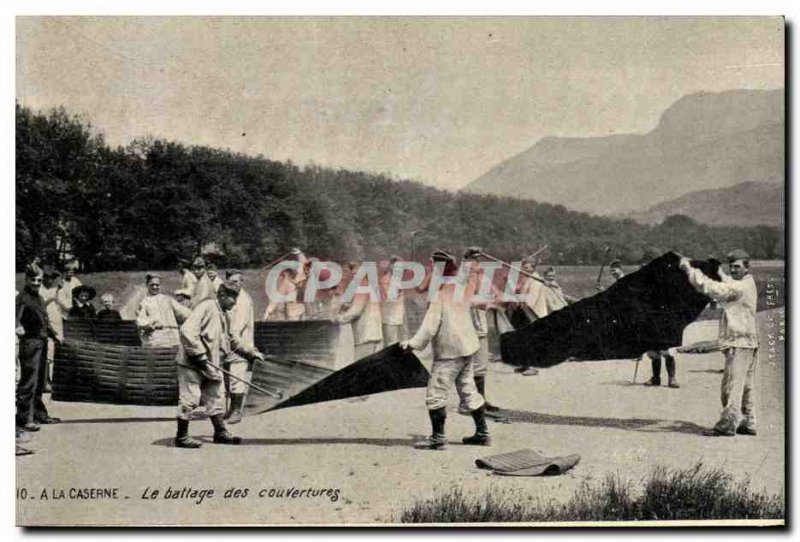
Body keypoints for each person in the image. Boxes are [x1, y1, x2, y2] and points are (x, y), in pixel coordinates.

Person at [403, 250, 490, 450]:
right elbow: (471, 279)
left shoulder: (441, 295)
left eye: (432, 268)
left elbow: (429, 327)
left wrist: (412, 344)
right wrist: (470, 259)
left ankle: (438, 438)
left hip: (450, 352)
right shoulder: (461, 288)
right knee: (468, 390)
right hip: (468, 348)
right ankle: (483, 433)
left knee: (436, 393)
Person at [679, 249, 759, 437]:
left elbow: (710, 288)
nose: (733, 269)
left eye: (737, 266)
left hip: (738, 343)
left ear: (746, 267)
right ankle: (749, 422)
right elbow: (728, 282)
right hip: (748, 342)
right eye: (731, 266)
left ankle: (727, 425)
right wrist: (720, 271)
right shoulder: (747, 282)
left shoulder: (739, 288)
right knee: (746, 386)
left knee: (730, 386)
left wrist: (689, 269)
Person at [174, 282, 262, 448]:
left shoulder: (227, 314)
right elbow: (187, 331)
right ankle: (182, 436)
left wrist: (250, 353)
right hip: (192, 363)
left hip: (212, 363)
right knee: (190, 398)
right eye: (232, 297)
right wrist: (199, 355)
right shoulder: (206, 307)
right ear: (221, 295)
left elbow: (234, 340)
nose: (234, 302)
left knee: (216, 397)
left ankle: (220, 432)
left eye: (236, 297)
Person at [16, 264, 61, 431]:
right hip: (30, 343)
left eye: (39, 280)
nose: (36, 283)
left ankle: (39, 414)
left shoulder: (39, 298)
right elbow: (15, 317)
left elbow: (45, 320)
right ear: (27, 280)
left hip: (41, 341)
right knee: (29, 381)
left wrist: (55, 335)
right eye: (33, 280)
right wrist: (18, 326)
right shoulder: (23, 297)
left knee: (41, 380)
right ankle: (24, 418)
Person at [223, 269, 256, 424]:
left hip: (240, 345)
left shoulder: (242, 300)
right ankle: (230, 408)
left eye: (237, 281)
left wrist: (233, 340)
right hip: (230, 344)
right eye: (231, 282)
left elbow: (237, 327)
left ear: (242, 282)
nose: (234, 284)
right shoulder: (231, 296)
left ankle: (237, 411)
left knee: (237, 377)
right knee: (229, 378)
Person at [336, 261, 384, 360]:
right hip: (370, 333)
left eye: (356, 272)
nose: (353, 275)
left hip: (365, 334)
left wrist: (339, 318)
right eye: (352, 272)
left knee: (362, 365)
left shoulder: (362, 285)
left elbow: (356, 310)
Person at [136, 274, 192, 347]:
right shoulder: (144, 302)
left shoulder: (167, 299)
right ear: (147, 285)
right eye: (152, 285)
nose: (155, 287)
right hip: (155, 341)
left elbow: (183, 312)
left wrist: (194, 315)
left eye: (157, 285)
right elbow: (140, 320)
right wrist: (149, 325)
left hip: (172, 340)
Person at [38, 267, 69, 393]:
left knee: (55, 355)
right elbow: (43, 305)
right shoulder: (40, 290)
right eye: (49, 278)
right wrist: (55, 294)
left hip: (57, 325)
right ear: (44, 278)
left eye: (53, 278)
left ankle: (53, 381)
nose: (51, 281)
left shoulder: (52, 290)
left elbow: (61, 306)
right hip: (48, 327)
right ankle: (45, 383)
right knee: (48, 356)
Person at [380, 256, 406, 346]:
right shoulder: (386, 279)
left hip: (398, 318)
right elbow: (388, 299)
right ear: (391, 267)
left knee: (399, 343)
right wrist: (397, 292)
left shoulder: (397, 280)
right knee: (390, 344)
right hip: (389, 318)